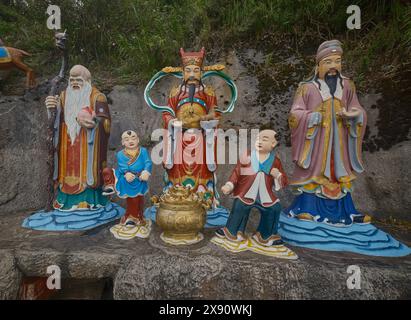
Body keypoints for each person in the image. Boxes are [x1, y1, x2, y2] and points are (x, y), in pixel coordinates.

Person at [285, 40, 369, 225]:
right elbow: (294, 114)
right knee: (315, 171)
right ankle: (306, 209)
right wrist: (311, 117)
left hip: (340, 139)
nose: (333, 67)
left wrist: (353, 115)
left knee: (340, 173)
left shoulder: (347, 86)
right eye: (328, 62)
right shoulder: (307, 87)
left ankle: (349, 211)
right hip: (316, 140)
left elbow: (358, 109)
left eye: (337, 61)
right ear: (318, 65)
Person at [45, 64, 111, 211]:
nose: (74, 83)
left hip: (88, 144)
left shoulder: (97, 97)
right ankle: (64, 200)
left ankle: (88, 199)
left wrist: (93, 123)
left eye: (79, 80)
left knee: (86, 170)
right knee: (66, 169)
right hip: (66, 144)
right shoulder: (63, 96)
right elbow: (55, 120)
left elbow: (105, 122)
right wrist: (51, 109)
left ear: (87, 81)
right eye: (72, 79)